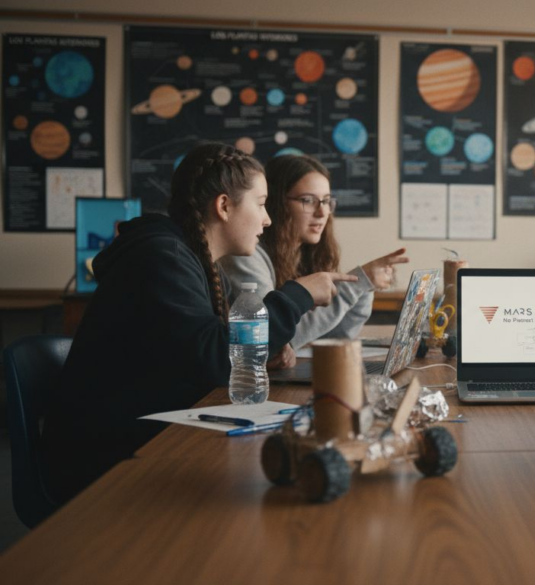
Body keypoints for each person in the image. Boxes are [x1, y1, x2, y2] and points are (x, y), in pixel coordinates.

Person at [41, 143, 355, 502]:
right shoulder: (161, 258)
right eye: (261, 202)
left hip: (140, 435)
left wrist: (264, 349)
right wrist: (297, 295)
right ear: (224, 206)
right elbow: (215, 357)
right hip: (100, 461)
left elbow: (207, 347)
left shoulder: (192, 260)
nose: (268, 219)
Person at [219, 154, 408, 370]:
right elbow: (276, 336)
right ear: (276, 203)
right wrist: (359, 282)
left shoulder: (308, 254)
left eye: (326, 201)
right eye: (308, 200)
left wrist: (365, 288)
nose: (322, 212)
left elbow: (335, 336)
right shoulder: (246, 256)